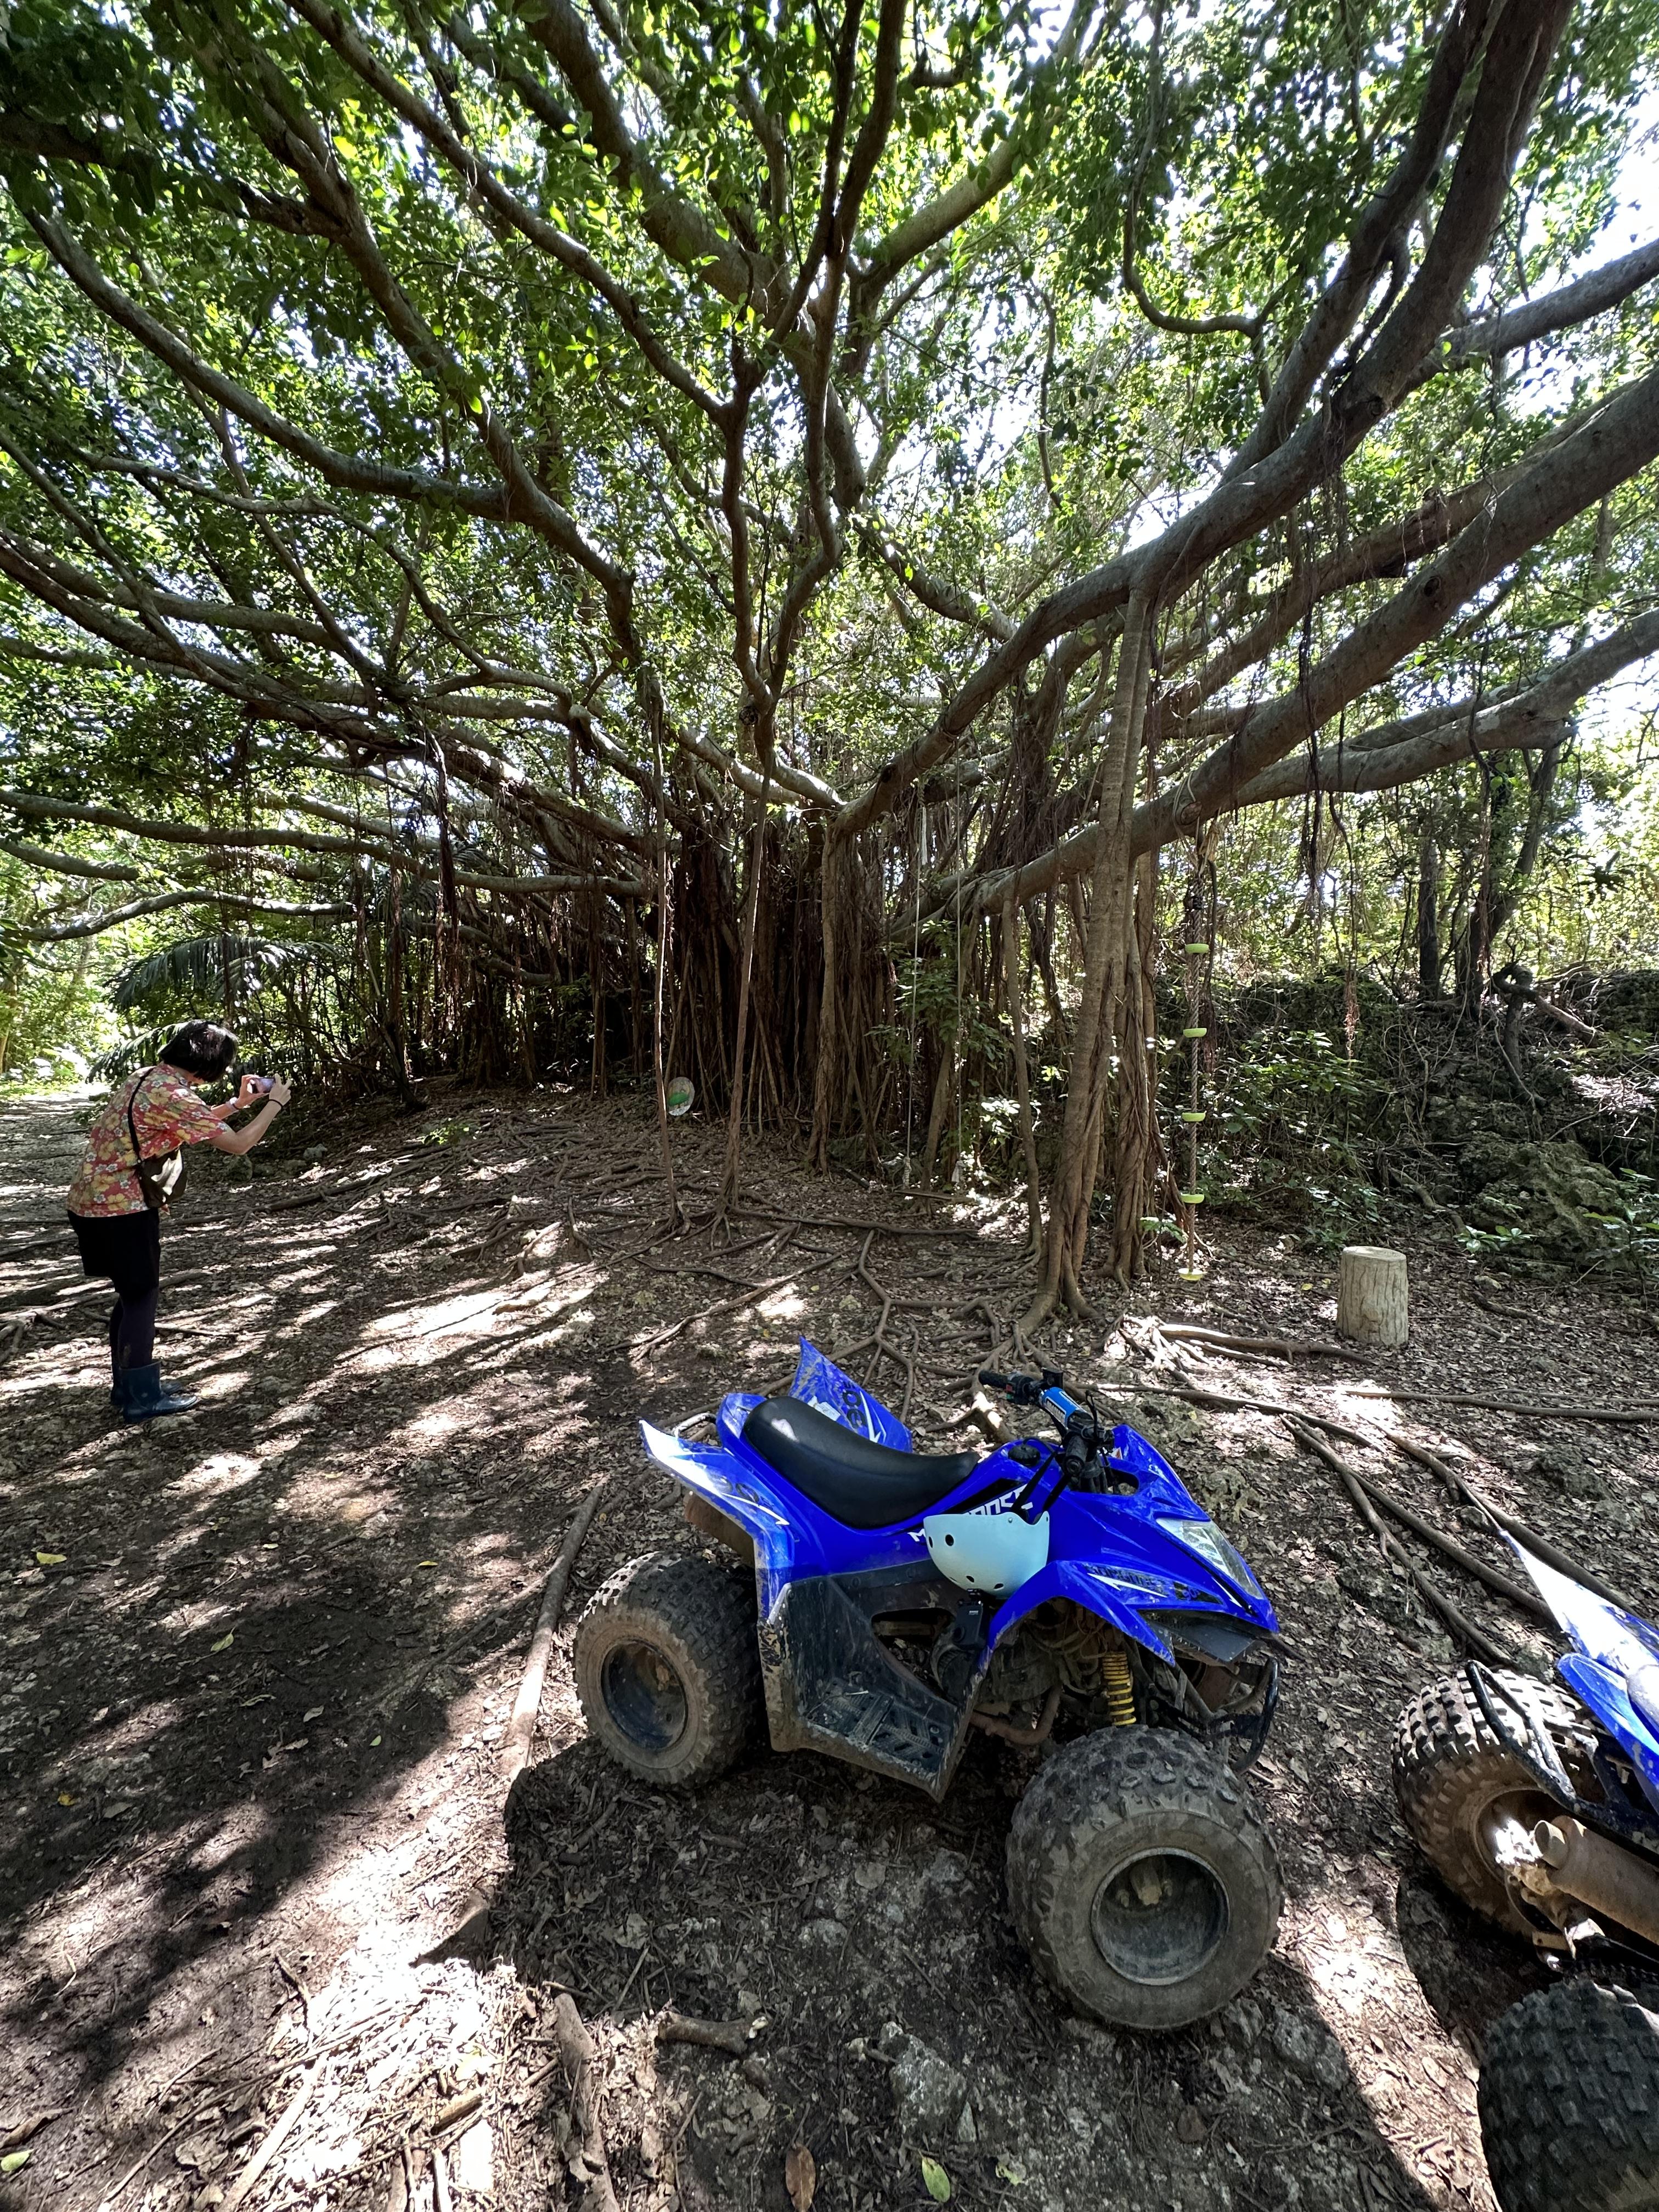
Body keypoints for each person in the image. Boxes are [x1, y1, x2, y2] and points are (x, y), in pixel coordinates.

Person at [66, 1020, 292, 1420]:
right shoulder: (174, 1093)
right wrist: (275, 1104)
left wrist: (239, 1104)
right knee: (141, 1298)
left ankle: (127, 1386)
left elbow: (190, 1124)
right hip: (122, 1208)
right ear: (210, 1064)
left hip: (92, 1201)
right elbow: (238, 1145)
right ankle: (141, 1398)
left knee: (131, 1295)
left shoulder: (150, 1078)